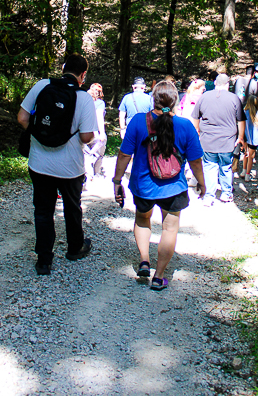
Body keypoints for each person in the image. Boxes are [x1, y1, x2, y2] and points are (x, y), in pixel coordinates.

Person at [113, 81, 206, 291]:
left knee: (142, 219)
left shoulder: (138, 121)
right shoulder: (185, 126)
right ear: (175, 101)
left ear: (152, 99)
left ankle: (144, 261)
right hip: (173, 188)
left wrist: (117, 180)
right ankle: (159, 275)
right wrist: (201, 182)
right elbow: (196, 161)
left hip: (143, 186)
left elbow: (124, 154)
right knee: (169, 228)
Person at [17, 53, 97, 274]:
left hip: (39, 163)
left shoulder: (42, 85)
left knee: (43, 210)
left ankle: (44, 260)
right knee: (72, 207)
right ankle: (75, 248)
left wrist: (41, 136)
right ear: (83, 75)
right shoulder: (84, 97)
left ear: (63, 68)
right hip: (69, 167)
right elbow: (86, 136)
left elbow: (22, 118)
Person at [192, 73, 246, 205]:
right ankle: (226, 194)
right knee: (226, 166)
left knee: (209, 167)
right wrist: (240, 137)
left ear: (215, 83)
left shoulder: (204, 97)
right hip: (227, 140)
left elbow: (195, 117)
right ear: (228, 85)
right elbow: (241, 120)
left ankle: (209, 196)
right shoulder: (234, 99)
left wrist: (197, 131)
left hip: (208, 140)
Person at [84, 82, 107, 182]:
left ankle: (87, 174)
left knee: (85, 153)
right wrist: (102, 133)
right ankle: (96, 173)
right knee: (98, 153)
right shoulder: (100, 103)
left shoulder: (83, 101)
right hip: (94, 132)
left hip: (83, 131)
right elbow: (99, 118)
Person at [242, 95, 258, 182]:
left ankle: (243, 171)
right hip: (254, 138)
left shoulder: (244, 111)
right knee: (251, 156)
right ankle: (248, 175)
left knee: (245, 154)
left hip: (246, 136)